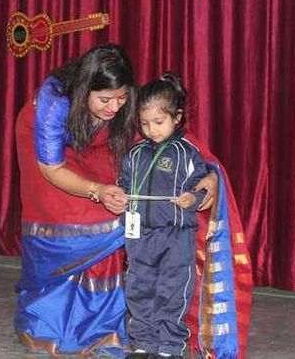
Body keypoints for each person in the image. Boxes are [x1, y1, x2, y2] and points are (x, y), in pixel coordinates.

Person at [14, 45, 220, 355]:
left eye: (122, 98)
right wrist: (96, 190)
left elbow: (163, 134)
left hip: (95, 147)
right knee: (80, 215)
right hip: (47, 158)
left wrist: (209, 170)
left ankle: (101, 325)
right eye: (105, 100)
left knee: (122, 211)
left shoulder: (120, 105)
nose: (115, 108)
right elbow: (52, 167)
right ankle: (52, 322)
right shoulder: (55, 101)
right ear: (85, 89)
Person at [120, 73, 208, 359]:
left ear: (177, 117)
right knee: (139, 288)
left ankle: (170, 346)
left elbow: (204, 187)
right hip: (140, 236)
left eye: (158, 122)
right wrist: (119, 198)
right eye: (145, 124)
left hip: (176, 236)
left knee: (172, 291)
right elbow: (123, 184)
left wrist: (192, 198)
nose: (151, 130)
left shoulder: (187, 152)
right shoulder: (135, 153)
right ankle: (143, 343)